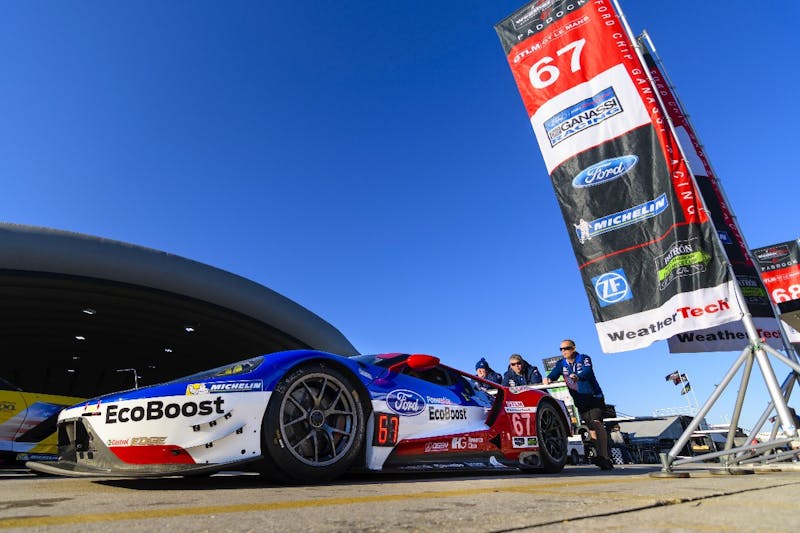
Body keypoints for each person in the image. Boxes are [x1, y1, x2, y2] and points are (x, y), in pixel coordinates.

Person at [543, 339, 614, 471]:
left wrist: (578, 376)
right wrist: (548, 378)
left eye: (567, 348)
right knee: (591, 427)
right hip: (579, 399)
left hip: (594, 396)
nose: (564, 351)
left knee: (597, 422)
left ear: (574, 348)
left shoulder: (584, 358)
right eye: (562, 349)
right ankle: (600, 456)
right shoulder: (561, 364)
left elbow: (588, 370)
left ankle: (605, 456)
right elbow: (553, 374)